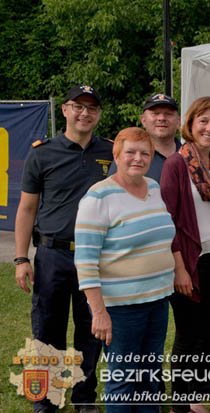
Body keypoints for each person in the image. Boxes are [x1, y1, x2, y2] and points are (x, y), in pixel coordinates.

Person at [14, 85, 111, 413]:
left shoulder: (112, 153)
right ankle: (46, 399)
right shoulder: (42, 153)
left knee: (91, 330)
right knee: (47, 331)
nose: (85, 113)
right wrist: (21, 258)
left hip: (96, 257)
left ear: (99, 114)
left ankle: (85, 399)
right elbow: (27, 209)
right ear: (66, 110)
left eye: (92, 108)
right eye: (78, 106)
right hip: (53, 255)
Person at [74, 127, 175, 413]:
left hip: (157, 301)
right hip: (120, 309)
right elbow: (85, 260)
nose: (138, 158)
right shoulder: (98, 197)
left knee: (150, 375)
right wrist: (99, 312)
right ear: (116, 155)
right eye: (130, 152)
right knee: (123, 379)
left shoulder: (153, 187)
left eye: (145, 153)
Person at [160, 97, 210, 413]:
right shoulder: (176, 164)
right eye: (204, 120)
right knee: (188, 332)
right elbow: (168, 220)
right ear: (190, 123)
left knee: (206, 326)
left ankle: (196, 394)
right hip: (187, 260)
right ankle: (180, 403)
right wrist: (179, 269)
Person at [108, 93, 181, 182]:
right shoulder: (128, 158)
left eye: (168, 114)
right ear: (143, 120)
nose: (161, 118)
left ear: (178, 122)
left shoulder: (192, 156)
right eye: (155, 113)